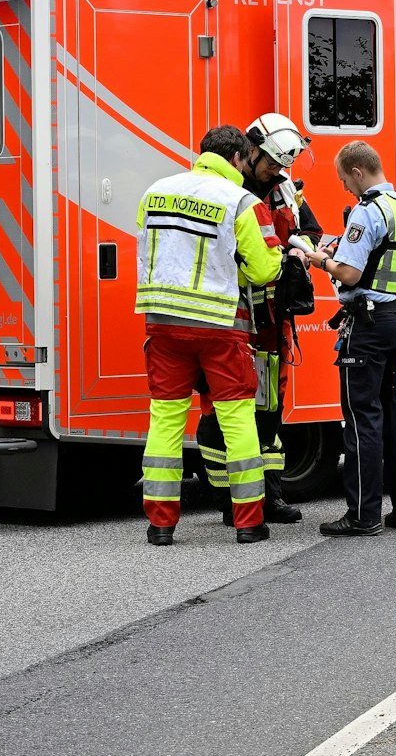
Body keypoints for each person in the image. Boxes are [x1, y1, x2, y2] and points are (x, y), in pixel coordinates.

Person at [135, 125, 282, 546]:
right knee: (237, 421)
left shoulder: (155, 192)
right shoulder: (242, 201)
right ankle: (249, 523)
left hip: (162, 323)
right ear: (238, 159)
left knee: (164, 420)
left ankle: (161, 524)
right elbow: (264, 270)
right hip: (220, 324)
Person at [197, 113, 316, 526]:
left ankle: (271, 495)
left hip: (271, 320)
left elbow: (310, 230)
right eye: (270, 162)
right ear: (249, 152)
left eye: (282, 165)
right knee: (221, 411)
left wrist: (299, 249)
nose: (276, 171)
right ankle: (227, 499)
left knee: (269, 411)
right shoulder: (227, 190)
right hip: (229, 316)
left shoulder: (284, 189)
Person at [298, 140, 396, 536]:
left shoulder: (367, 212)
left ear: (357, 172)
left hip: (366, 327)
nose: (345, 189)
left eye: (343, 180)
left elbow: (350, 274)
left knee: (360, 417)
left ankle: (363, 515)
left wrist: (321, 261)